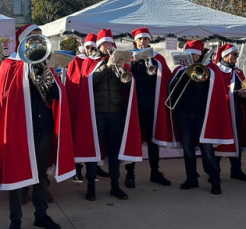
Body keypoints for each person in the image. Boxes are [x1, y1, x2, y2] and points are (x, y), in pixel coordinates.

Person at [0, 27, 75, 229]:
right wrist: (27, 74)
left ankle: (41, 215)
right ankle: (15, 219)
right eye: (32, 40)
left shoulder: (45, 65)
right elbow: (4, 95)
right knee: (17, 175)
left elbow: (56, 96)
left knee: (41, 175)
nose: (37, 44)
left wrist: (50, 77)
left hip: (43, 128)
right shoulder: (9, 65)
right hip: (18, 131)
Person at [73, 28, 142, 201]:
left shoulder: (121, 63)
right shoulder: (91, 61)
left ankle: (115, 185)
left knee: (114, 151)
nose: (107, 46)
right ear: (99, 45)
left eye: (109, 43)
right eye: (104, 44)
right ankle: (91, 186)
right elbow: (89, 82)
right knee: (92, 150)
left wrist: (123, 74)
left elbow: (129, 87)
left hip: (116, 114)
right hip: (96, 113)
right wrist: (107, 66)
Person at [168, 40, 232, 194]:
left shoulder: (211, 69)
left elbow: (216, 88)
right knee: (188, 147)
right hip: (184, 113)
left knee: (206, 147)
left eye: (195, 54)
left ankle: (214, 179)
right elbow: (172, 90)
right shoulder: (180, 69)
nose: (193, 57)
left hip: (203, 113)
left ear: (200, 55)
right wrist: (183, 74)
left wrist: (204, 75)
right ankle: (191, 178)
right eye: (190, 54)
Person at [123, 27, 173, 188]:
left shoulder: (158, 58)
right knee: (134, 139)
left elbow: (166, 77)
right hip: (135, 106)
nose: (142, 42)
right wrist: (135, 64)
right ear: (135, 41)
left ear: (149, 41)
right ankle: (130, 173)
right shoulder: (129, 58)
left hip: (152, 105)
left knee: (153, 140)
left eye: (145, 39)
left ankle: (155, 172)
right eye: (140, 39)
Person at [215, 43, 246, 181]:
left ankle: (236, 170)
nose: (236, 57)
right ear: (225, 55)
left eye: (237, 54)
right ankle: (214, 172)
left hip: (237, 112)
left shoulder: (238, 72)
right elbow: (216, 93)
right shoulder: (216, 71)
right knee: (219, 141)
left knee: (236, 141)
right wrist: (235, 93)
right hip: (222, 113)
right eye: (234, 54)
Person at [65, 33, 96, 182]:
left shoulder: (99, 61)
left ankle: (96, 166)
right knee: (77, 136)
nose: (90, 50)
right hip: (78, 105)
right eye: (88, 47)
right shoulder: (76, 61)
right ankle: (77, 168)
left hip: (94, 107)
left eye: (93, 47)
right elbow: (72, 83)